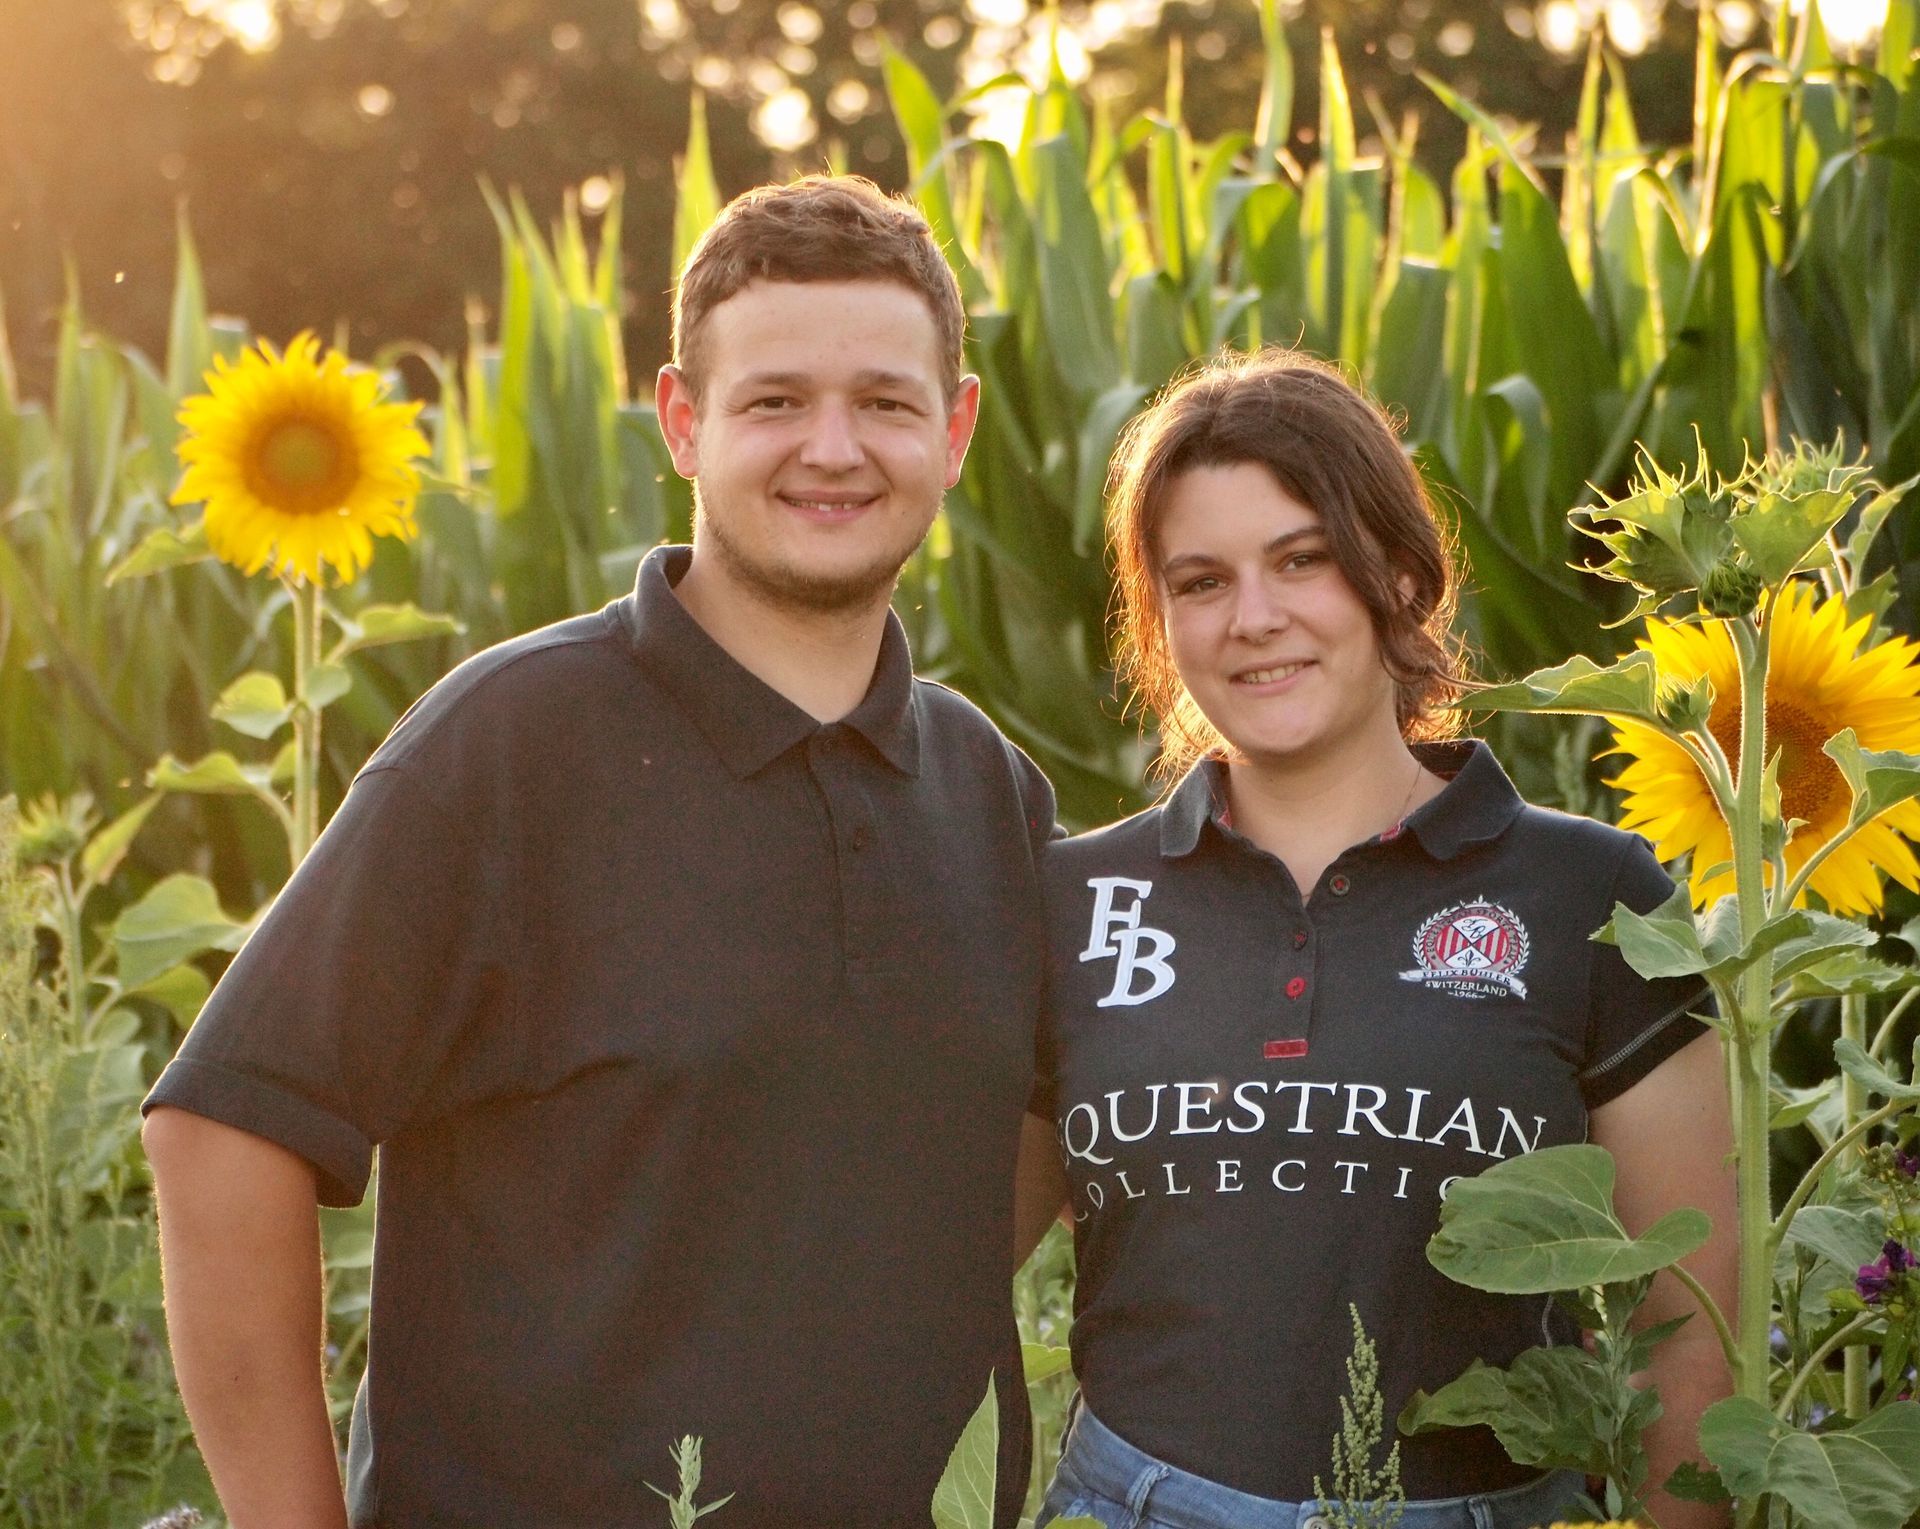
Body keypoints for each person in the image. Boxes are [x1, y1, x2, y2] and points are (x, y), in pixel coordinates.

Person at [142, 175, 1056, 1529]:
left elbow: (1018, 1148)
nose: (833, 447)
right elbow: (225, 1133)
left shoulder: (989, 792)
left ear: (957, 428)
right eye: (774, 401)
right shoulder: (507, 749)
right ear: (683, 422)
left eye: (885, 401)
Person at [1015, 349, 1737, 1529]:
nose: (1254, 618)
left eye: (1302, 559)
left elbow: (1689, 1312)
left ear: (1402, 574)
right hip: (1139, 1504)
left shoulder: (1592, 894)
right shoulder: (1075, 898)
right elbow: (945, 1271)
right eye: (1199, 581)